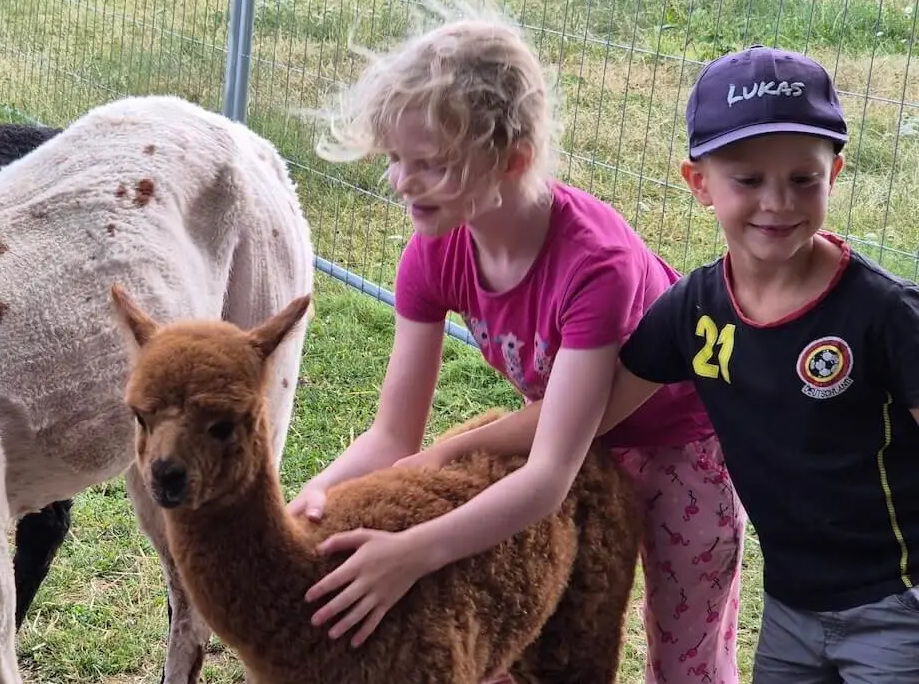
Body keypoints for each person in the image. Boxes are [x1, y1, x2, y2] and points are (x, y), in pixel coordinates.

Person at [416, 43, 919, 682]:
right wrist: (452, 451)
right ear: (699, 183)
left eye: (803, 179)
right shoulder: (695, 309)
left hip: (895, 608)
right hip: (793, 611)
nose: (777, 203)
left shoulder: (887, 314)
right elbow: (591, 415)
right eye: (747, 179)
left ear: (836, 173)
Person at [289, 4, 745, 682]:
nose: (400, 182)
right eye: (395, 159)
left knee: (685, 657)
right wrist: (312, 498)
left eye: (430, 164)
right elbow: (392, 435)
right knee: (527, 635)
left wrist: (412, 550)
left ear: (513, 159)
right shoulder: (433, 251)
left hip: (682, 443)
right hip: (568, 428)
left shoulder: (597, 264)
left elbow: (545, 476)